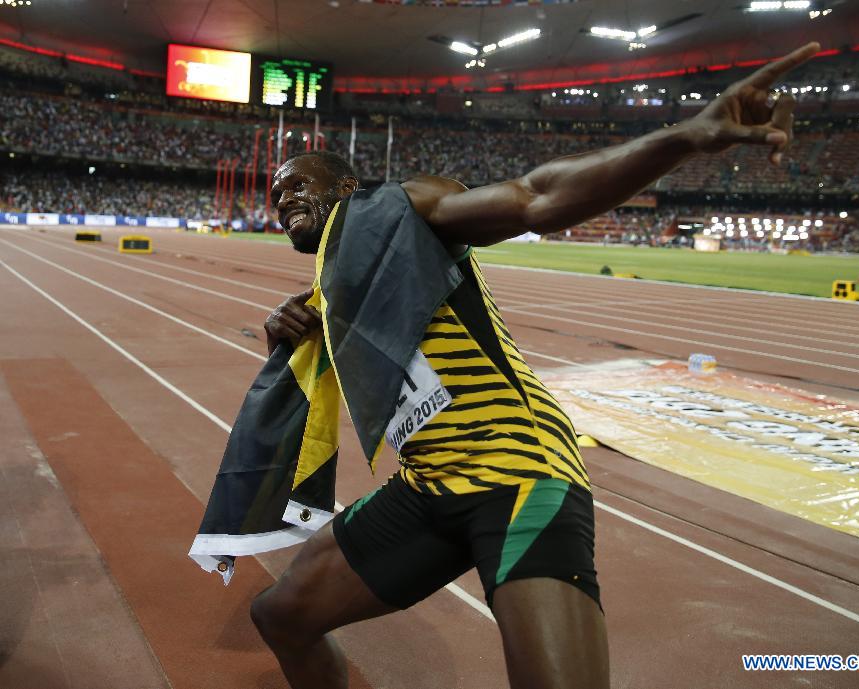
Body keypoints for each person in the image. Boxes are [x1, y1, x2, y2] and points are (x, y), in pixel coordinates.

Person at [250, 43, 820, 689]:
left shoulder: (406, 207)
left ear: (348, 188)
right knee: (282, 615)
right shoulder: (334, 284)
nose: (283, 197)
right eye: (275, 192)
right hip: (432, 482)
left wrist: (683, 138)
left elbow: (533, 198)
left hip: (517, 470)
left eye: (299, 183)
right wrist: (285, 330)